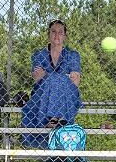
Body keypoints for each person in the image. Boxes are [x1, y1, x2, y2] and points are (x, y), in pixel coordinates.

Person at [21, 19, 82, 148]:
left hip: (68, 96)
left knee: (54, 80)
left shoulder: (72, 55)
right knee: (58, 80)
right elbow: (37, 78)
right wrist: (64, 78)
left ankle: (54, 118)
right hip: (42, 96)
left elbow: (76, 82)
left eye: (60, 32)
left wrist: (48, 75)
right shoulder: (39, 55)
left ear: (65, 35)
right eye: (53, 31)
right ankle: (58, 118)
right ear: (48, 34)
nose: (56, 35)